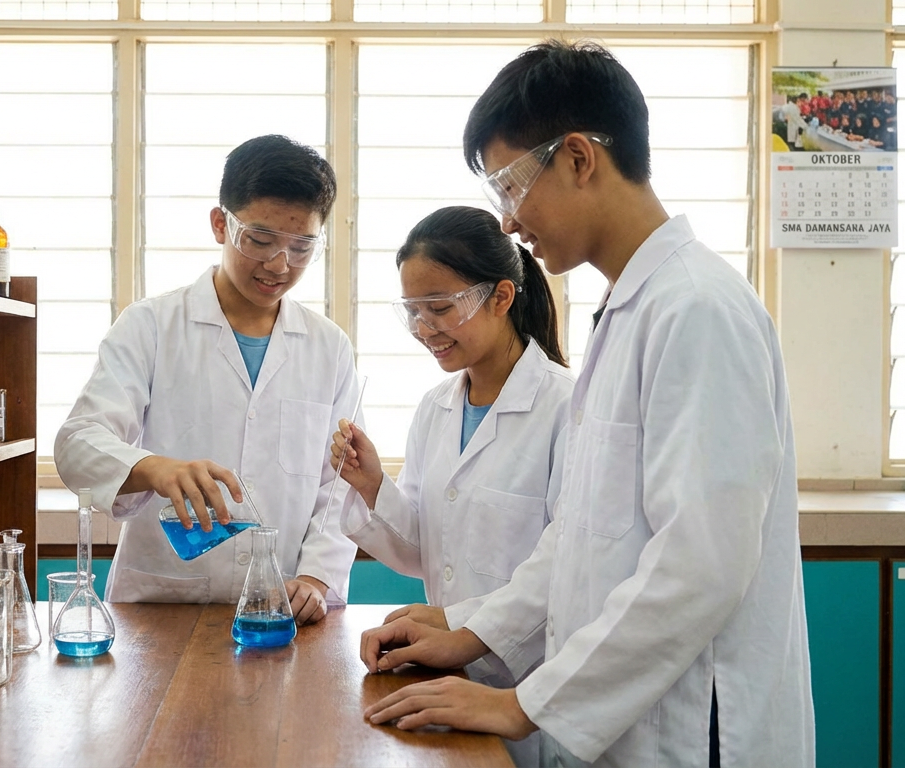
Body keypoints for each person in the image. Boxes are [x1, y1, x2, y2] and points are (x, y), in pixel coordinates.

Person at [357, 40, 814, 767]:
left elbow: (701, 564)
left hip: (694, 731)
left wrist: (522, 705)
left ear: (577, 157)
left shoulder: (696, 309)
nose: (509, 222)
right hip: (627, 725)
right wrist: (470, 634)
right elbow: (578, 541)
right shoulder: (628, 312)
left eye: (510, 186)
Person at [54, 134, 359, 624]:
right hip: (161, 606)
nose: (279, 265)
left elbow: (340, 482)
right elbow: (78, 442)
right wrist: (154, 468)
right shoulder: (151, 325)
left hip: (279, 606)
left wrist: (317, 577)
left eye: (302, 247)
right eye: (260, 239)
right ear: (221, 224)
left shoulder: (329, 347)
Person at [328, 206, 573, 766]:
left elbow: (565, 565)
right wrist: (373, 485)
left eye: (439, 308)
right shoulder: (436, 408)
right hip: (448, 679)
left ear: (501, 297)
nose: (424, 329)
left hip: (531, 689)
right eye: (413, 312)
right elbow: (425, 552)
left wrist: (459, 627)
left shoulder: (565, 406)